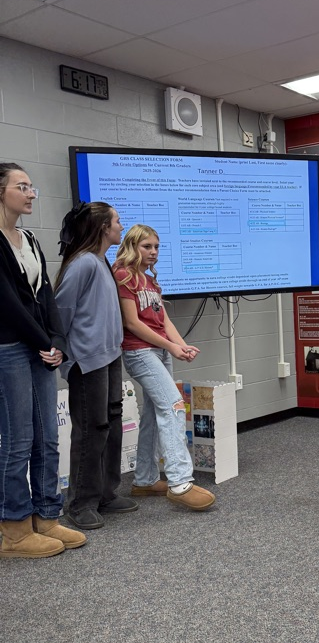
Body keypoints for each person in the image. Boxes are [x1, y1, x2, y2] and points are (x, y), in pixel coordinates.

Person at [0, 163, 86, 558]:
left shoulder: (30, 239)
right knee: (18, 441)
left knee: (48, 437)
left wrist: (58, 341)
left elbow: (44, 294)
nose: (32, 193)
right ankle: (14, 530)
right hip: (9, 348)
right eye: (23, 186)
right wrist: (44, 343)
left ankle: (46, 516)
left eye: (32, 186)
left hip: (40, 347)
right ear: (1, 192)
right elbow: (10, 305)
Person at [113, 225, 215, 512]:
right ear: (133, 245)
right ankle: (180, 481)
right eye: (147, 246)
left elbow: (164, 321)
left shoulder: (150, 281)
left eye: (157, 247)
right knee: (173, 407)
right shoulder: (123, 274)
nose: (153, 252)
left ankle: (144, 480)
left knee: (153, 414)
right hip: (139, 352)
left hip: (159, 351)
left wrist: (180, 345)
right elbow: (131, 323)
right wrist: (170, 347)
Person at [55, 202, 137, 530]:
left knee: (111, 423)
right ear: (104, 227)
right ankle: (80, 503)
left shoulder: (101, 260)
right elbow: (61, 309)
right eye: (117, 221)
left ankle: (105, 493)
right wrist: (63, 352)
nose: (121, 225)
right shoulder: (83, 263)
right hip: (88, 361)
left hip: (109, 354)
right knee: (92, 429)